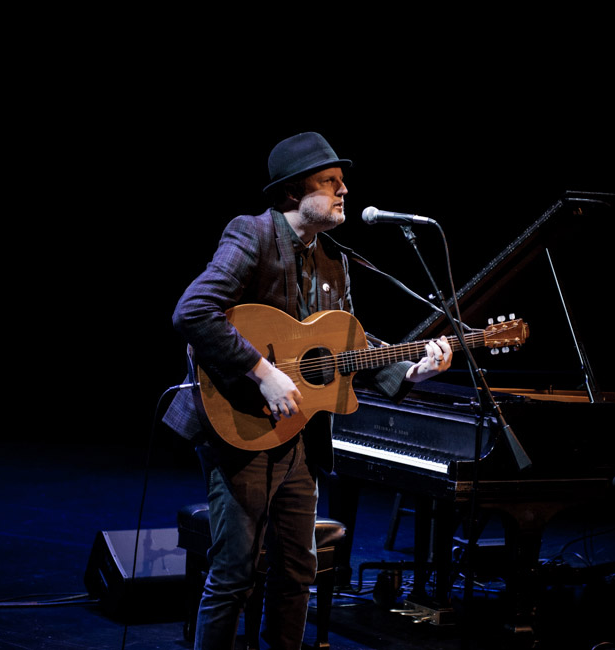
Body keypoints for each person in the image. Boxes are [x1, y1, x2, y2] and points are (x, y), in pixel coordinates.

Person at [163, 131, 453, 650]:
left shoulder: (335, 260)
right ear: (294, 192)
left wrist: (411, 371)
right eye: (330, 181)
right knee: (235, 574)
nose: (344, 191)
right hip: (240, 426)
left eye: (343, 182)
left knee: (297, 572)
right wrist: (261, 370)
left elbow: (343, 343)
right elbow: (193, 311)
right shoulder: (251, 235)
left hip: (299, 435)